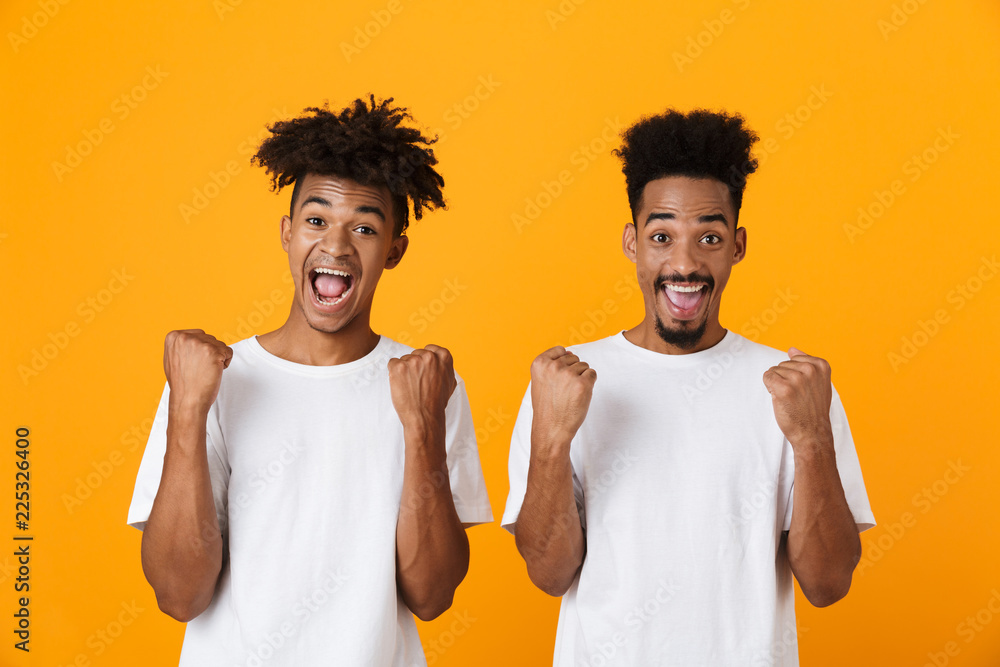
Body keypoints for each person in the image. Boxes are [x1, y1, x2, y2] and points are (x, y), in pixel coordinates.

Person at [502, 108, 875, 666]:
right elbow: (549, 574)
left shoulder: (795, 389)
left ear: (737, 245)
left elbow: (828, 584)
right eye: (661, 235)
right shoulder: (565, 383)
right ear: (632, 243)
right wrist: (552, 438)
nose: (684, 262)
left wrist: (814, 438)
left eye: (708, 236)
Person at [127, 97, 492, 667]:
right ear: (287, 232)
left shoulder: (429, 385)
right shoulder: (213, 380)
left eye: (364, 227)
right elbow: (179, 595)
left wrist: (421, 426)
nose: (337, 245)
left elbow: (432, 595)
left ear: (394, 250)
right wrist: (188, 410)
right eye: (316, 220)